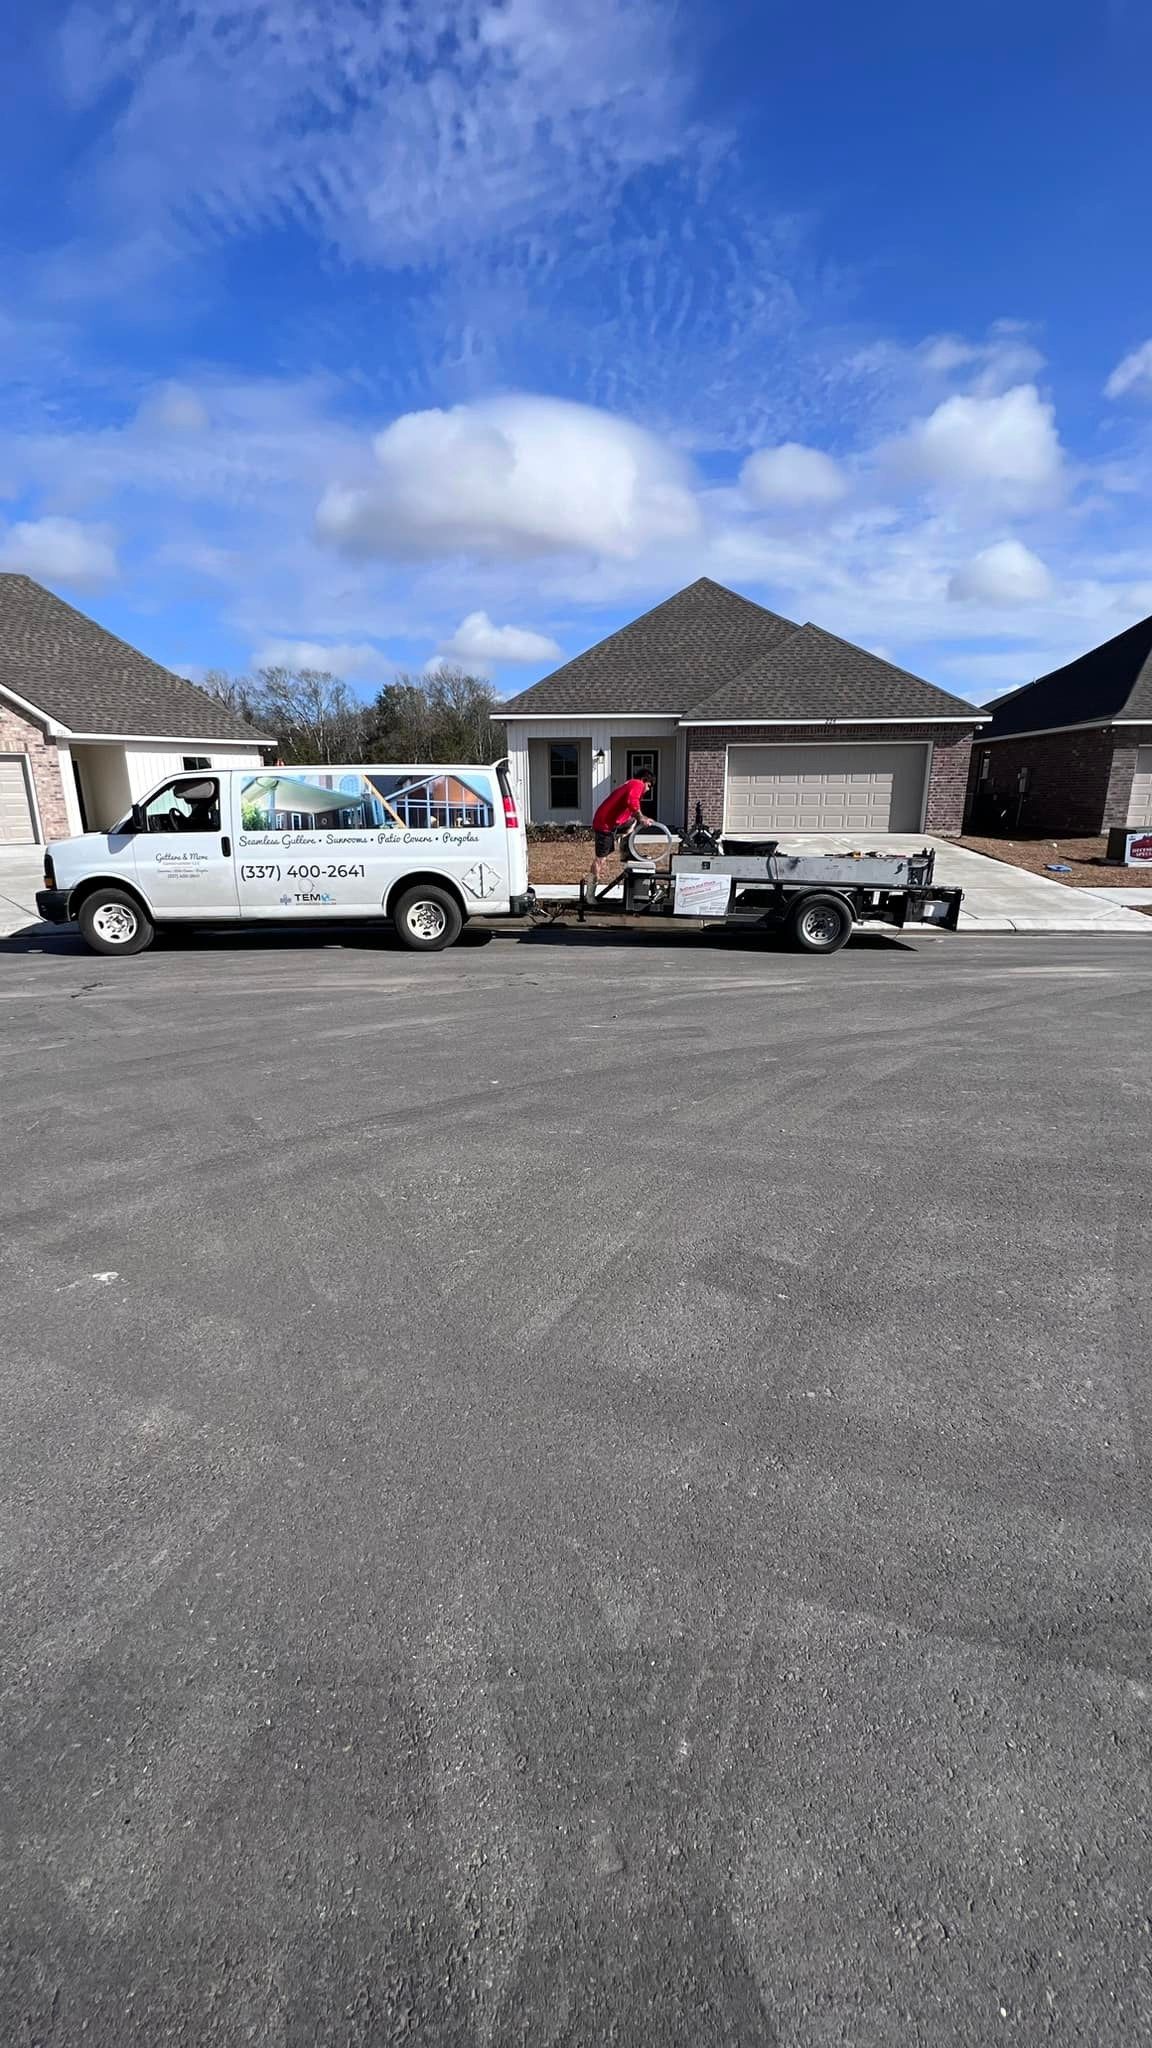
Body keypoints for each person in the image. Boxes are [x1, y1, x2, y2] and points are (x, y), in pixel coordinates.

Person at [589, 770, 654, 886]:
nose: (648, 789)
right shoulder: (637, 783)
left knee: (633, 821)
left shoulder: (629, 784)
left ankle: (626, 853)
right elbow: (632, 801)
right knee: (600, 859)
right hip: (604, 824)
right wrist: (642, 818)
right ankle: (590, 892)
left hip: (612, 823)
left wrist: (641, 817)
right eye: (649, 785)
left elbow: (630, 808)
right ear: (644, 780)